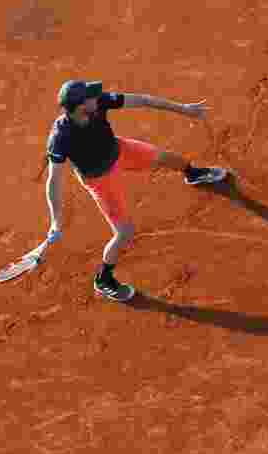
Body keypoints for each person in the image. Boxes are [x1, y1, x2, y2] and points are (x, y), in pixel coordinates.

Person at [43, 79, 227, 302]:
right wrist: (55, 220)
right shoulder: (60, 137)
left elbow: (143, 100)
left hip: (118, 150)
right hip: (99, 178)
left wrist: (184, 109)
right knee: (125, 233)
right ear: (82, 106)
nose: (96, 96)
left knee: (166, 158)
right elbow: (53, 180)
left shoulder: (99, 103)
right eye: (91, 96)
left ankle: (192, 174)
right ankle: (104, 279)